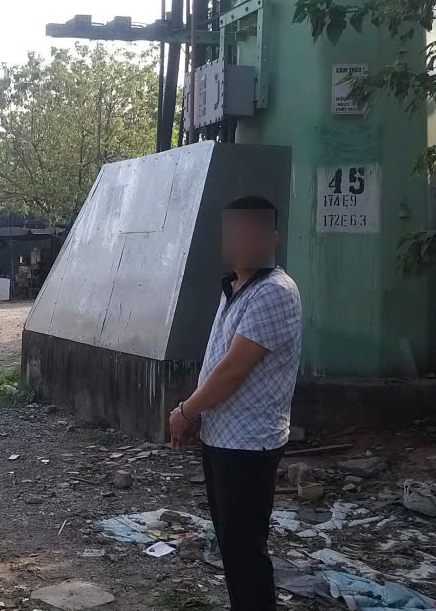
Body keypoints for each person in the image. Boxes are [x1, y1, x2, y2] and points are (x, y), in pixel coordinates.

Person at [168, 195, 301, 611]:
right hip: (223, 439)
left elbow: (232, 370)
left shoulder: (274, 292)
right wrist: (198, 414)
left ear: (272, 238)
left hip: (248, 444)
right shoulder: (235, 288)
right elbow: (220, 363)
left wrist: (187, 410)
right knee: (232, 545)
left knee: (244, 550)